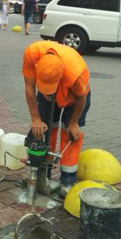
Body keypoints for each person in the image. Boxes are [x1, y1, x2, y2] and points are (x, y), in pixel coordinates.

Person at [22, 41, 91, 196]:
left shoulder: (74, 72)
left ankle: (67, 181)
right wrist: (35, 119)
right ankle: (42, 174)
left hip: (75, 96)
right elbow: (29, 87)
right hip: (54, 85)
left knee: (71, 134)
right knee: (44, 129)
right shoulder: (32, 54)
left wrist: (73, 123)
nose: (48, 92)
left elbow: (81, 98)